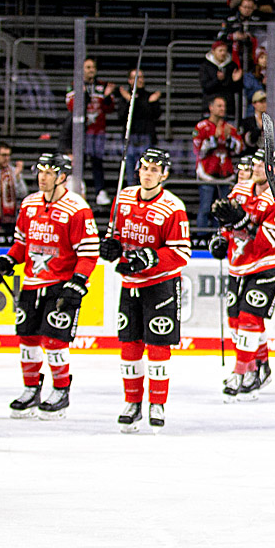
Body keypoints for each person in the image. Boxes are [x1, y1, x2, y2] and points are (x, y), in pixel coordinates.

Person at [0, 153, 100, 419]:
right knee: (27, 338)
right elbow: (21, 244)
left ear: (62, 177)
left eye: (49, 172)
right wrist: (7, 261)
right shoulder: (29, 204)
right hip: (31, 283)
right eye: (40, 171)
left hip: (60, 284)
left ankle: (61, 391)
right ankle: (31, 389)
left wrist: (77, 282)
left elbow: (88, 253)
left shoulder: (77, 208)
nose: (43, 177)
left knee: (55, 340)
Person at [98, 149, 191, 432]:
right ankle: (132, 402)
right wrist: (110, 246)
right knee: (129, 345)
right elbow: (115, 235)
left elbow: (182, 252)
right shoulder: (124, 197)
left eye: (154, 169)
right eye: (145, 168)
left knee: (158, 347)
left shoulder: (173, 207)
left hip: (160, 285)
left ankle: (157, 403)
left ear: (164, 174)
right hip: (130, 284)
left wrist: (150, 258)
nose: (148, 174)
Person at [208, 149, 275, 400]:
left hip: (267, 263)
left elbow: (267, 240)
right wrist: (221, 239)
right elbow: (226, 221)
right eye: (255, 163)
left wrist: (242, 222)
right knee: (235, 320)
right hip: (239, 263)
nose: (256, 168)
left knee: (249, 317)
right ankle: (258, 368)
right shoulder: (241, 189)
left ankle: (240, 372)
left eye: (262, 164)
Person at [65, 58, 117, 205]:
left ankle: (100, 192)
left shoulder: (102, 86)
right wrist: (83, 94)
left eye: (93, 67)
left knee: (97, 162)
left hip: (97, 131)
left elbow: (109, 109)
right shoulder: (74, 86)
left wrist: (107, 96)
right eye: (88, 67)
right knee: (78, 163)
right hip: (80, 132)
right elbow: (71, 107)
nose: (91, 70)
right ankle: (76, 192)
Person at [192, 96, 243, 230]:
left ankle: (221, 236)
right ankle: (201, 237)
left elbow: (239, 149)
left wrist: (229, 139)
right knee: (205, 208)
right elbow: (198, 151)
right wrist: (214, 139)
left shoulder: (230, 128)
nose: (222, 109)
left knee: (223, 210)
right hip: (207, 174)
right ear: (211, 107)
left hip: (226, 176)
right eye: (219, 106)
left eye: (224, 106)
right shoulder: (201, 127)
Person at [115, 69, 162, 185]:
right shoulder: (126, 98)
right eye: (136, 77)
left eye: (141, 77)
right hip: (130, 137)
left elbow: (156, 114)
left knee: (146, 171)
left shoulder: (148, 96)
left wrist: (132, 100)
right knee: (130, 174)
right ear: (129, 80)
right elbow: (121, 116)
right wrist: (142, 102)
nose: (139, 80)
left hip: (146, 136)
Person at [198, 40, 243, 110]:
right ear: (213, 51)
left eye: (225, 51)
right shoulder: (205, 66)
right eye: (220, 50)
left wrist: (236, 81)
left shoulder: (232, 66)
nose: (223, 53)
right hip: (210, 105)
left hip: (227, 106)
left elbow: (235, 89)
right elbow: (206, 86)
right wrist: (217, 80)